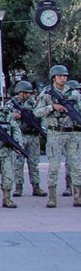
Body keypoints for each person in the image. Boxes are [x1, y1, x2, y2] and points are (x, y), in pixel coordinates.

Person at [34, 65, 81, 207]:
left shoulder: (74, 93)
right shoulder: (47, 94)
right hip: (55, 133)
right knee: (54, 166)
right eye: (60, 76)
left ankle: (78, 196)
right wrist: (52, 107)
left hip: (73, 133)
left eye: (65, 76)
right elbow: (36, 112)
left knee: (76, 166)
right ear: (53, 77)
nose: (63, 78)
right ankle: (52, 197)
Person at [6, 81, 45, 197]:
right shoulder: (11, 104)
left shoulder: (35, 103)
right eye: (25, 93)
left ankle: (36, 186)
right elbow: (3, 116)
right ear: (19, 92)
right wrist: (13, 115)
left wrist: (42, 129)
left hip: (33, 136)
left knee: (34, 163)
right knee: (18, 163)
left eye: (29, 93)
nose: (27, 95)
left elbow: (42, 117)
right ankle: (18, 187)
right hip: (19, 136)